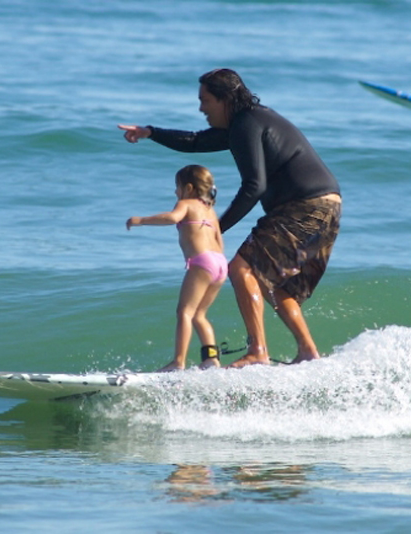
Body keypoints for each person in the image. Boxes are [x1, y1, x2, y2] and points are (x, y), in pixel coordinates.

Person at [119, 68, 341, 367]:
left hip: (303, 205)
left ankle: (258, 351)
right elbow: (196, 141)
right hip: (328, 205)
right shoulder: (250, 120)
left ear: (225, 99)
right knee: (275, 286)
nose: (201, 108)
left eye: (205, 100)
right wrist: (151, 132)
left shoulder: (246, 124)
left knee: (241, 268)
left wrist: (214, 229)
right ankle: (308, 352)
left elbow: (254, 185)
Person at [127, 165, 228, 372]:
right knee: (200, 314)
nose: (175, 191)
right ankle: (211, 360)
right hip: (220, 263)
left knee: (184, 312)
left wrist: (141, 221)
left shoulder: (186, 203)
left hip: (202, 262)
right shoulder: (211, 210)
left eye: (177, 187)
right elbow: (219, 240)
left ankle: (178, 362)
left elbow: (172, 218)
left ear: (189, 188)